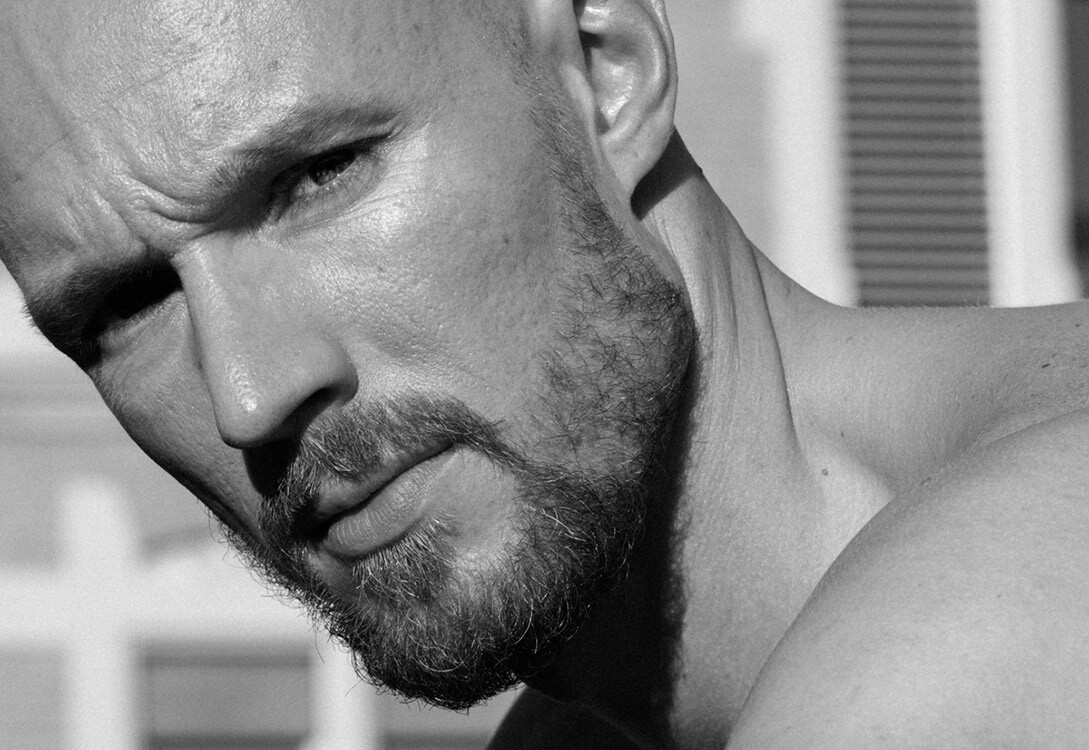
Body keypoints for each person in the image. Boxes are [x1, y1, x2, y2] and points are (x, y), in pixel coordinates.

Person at [2, 0, 1088, 746]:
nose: (250, 393)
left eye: (317, 177)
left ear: (607, 75)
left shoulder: (967, 644)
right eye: (124, 306)